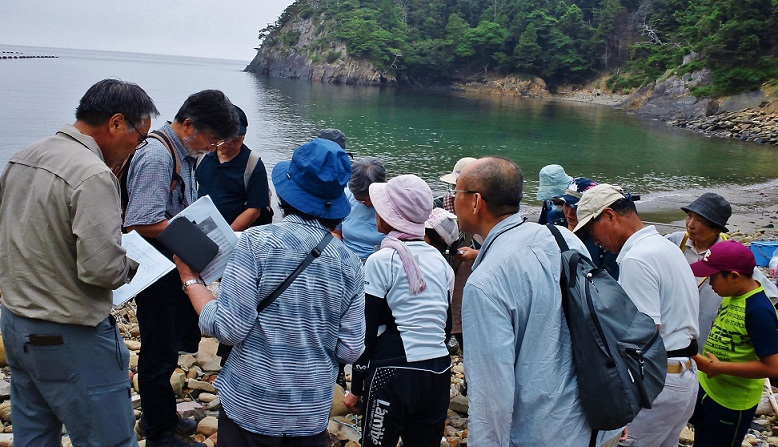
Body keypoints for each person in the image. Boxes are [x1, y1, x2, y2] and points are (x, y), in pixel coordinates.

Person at [175, 138, 365, 447]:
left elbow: (229, 328)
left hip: (251, 406)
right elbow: (351, 350)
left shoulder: (254, 243)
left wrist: (190, 279)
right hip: (310, 413)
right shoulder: (351, 263)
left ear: (286, 195)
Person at [0, 79, 158, 447]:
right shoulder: (93, 174)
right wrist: (135, 266)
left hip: (16, 324)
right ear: (117, 123)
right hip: (69, 333)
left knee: (34, 435)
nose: (136, 147)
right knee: (110, 440)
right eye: (139, 137)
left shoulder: (23, 156)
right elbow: (100, 269)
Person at [456, 157, 619, 446]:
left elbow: (491, 394)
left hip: (543, 433)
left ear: (476, 202)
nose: (452, 199)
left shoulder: (485, 281)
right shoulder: (563, 239)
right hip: (598, 422)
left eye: (456, 192)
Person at [124, 90, 239, 447]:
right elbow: (140, 220)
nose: (212, 146)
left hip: (174, 264)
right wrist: (195, 237)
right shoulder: (159, 155)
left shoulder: (183, 152)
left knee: (170, 345)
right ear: (187, 124)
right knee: (158, 348)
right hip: (157, 270)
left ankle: (163, 415)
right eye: (210, 138)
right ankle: (158, 431)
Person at [574, 183, 700, 447]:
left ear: (609, 215)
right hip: (684, 377)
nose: (593, 240)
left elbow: (641, 336)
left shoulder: (637, 259)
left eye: (590, 230)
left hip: (657, 383)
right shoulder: (664, 247)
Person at [344, 175, 454, 447]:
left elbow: (366, 332)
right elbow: (445, 327)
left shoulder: (382, 260)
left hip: (393, 372)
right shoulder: (441, 262)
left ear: (387, 217)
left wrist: (357, 388)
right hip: (439, 371)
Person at [688, 240, 778, 446]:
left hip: (731, 402)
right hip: (709, 388)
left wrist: (719, 367)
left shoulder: (758, 311)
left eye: (713, 277)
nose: (709, 283)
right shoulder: (732, 295)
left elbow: (773, 367)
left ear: (734, 277)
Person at [666, 192, 778, 352]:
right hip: (676, 330)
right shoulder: (675, 243)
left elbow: (771, 296)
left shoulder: (731, 254)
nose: (690, 224)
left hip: (711, 334)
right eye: (689, 216)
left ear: (716, 229)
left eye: (699, 220)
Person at [195, 105, 272, 230]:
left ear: (243, 137)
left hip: (238, 234)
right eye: (225, 137)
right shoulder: (202, 155)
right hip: (202, 227)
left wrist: (227, 234)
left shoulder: (252, 164)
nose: (229, 142)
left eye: (235, 138)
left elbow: (254, 210)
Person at [560, 177, 620, 279]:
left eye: (576, 207)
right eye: (567, 205)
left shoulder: (603, 243)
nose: (570, 212)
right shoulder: (555, 227)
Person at [333, 157, 386, 261]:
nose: (366, 204)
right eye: (361, 200)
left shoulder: (395, 203)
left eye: (371, 199)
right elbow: (335, 232)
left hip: (380, 261)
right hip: (346, 258)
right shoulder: (345, 197)